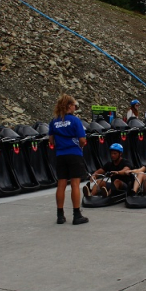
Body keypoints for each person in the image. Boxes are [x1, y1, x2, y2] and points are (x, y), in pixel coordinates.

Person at [49, 93, 89, 224]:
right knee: (75, 184)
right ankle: (76, 214)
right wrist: (80, 144)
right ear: (69, 106)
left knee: (61, 184)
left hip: (61, 155)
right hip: (74, 153)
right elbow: (82, 140)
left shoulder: (54, 122)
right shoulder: (75, 120)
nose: (75, 108)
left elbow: (51, 141)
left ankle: (60, 215)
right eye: (74, 106)